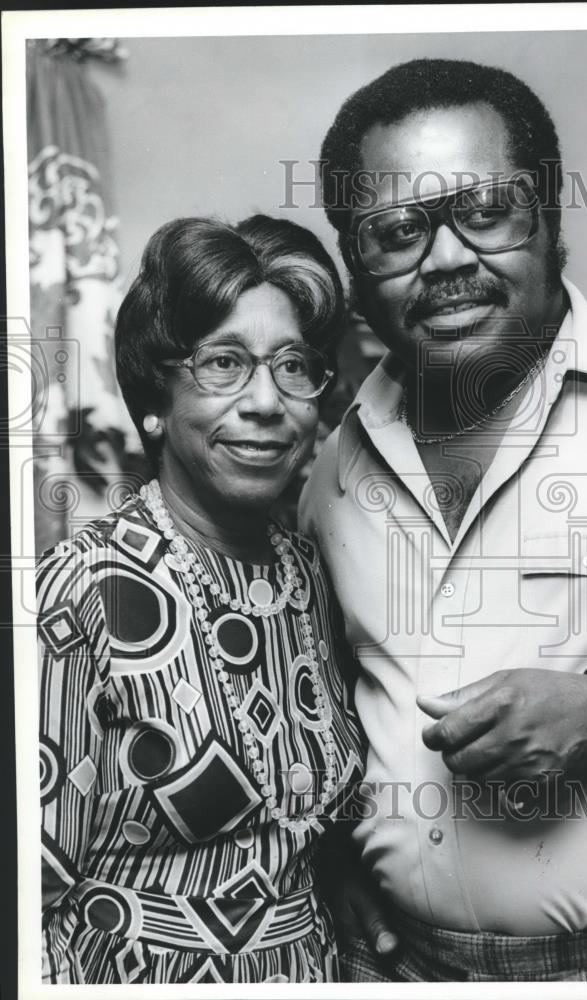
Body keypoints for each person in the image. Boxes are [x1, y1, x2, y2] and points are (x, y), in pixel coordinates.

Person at [299, 58, 587, 981]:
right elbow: (332, 717)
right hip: (403, 967)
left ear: (550, 215)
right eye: (396, 231)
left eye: (485, 212)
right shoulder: (332, 469)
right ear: (357, 265)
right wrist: (338, 862)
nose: (443, 260)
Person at [38, 215, 364, 983]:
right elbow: (29, 891)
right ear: (156, 393)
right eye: (224, 363)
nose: (266, 402)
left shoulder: (310, 574)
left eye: (294, 366)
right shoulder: (84, 587)